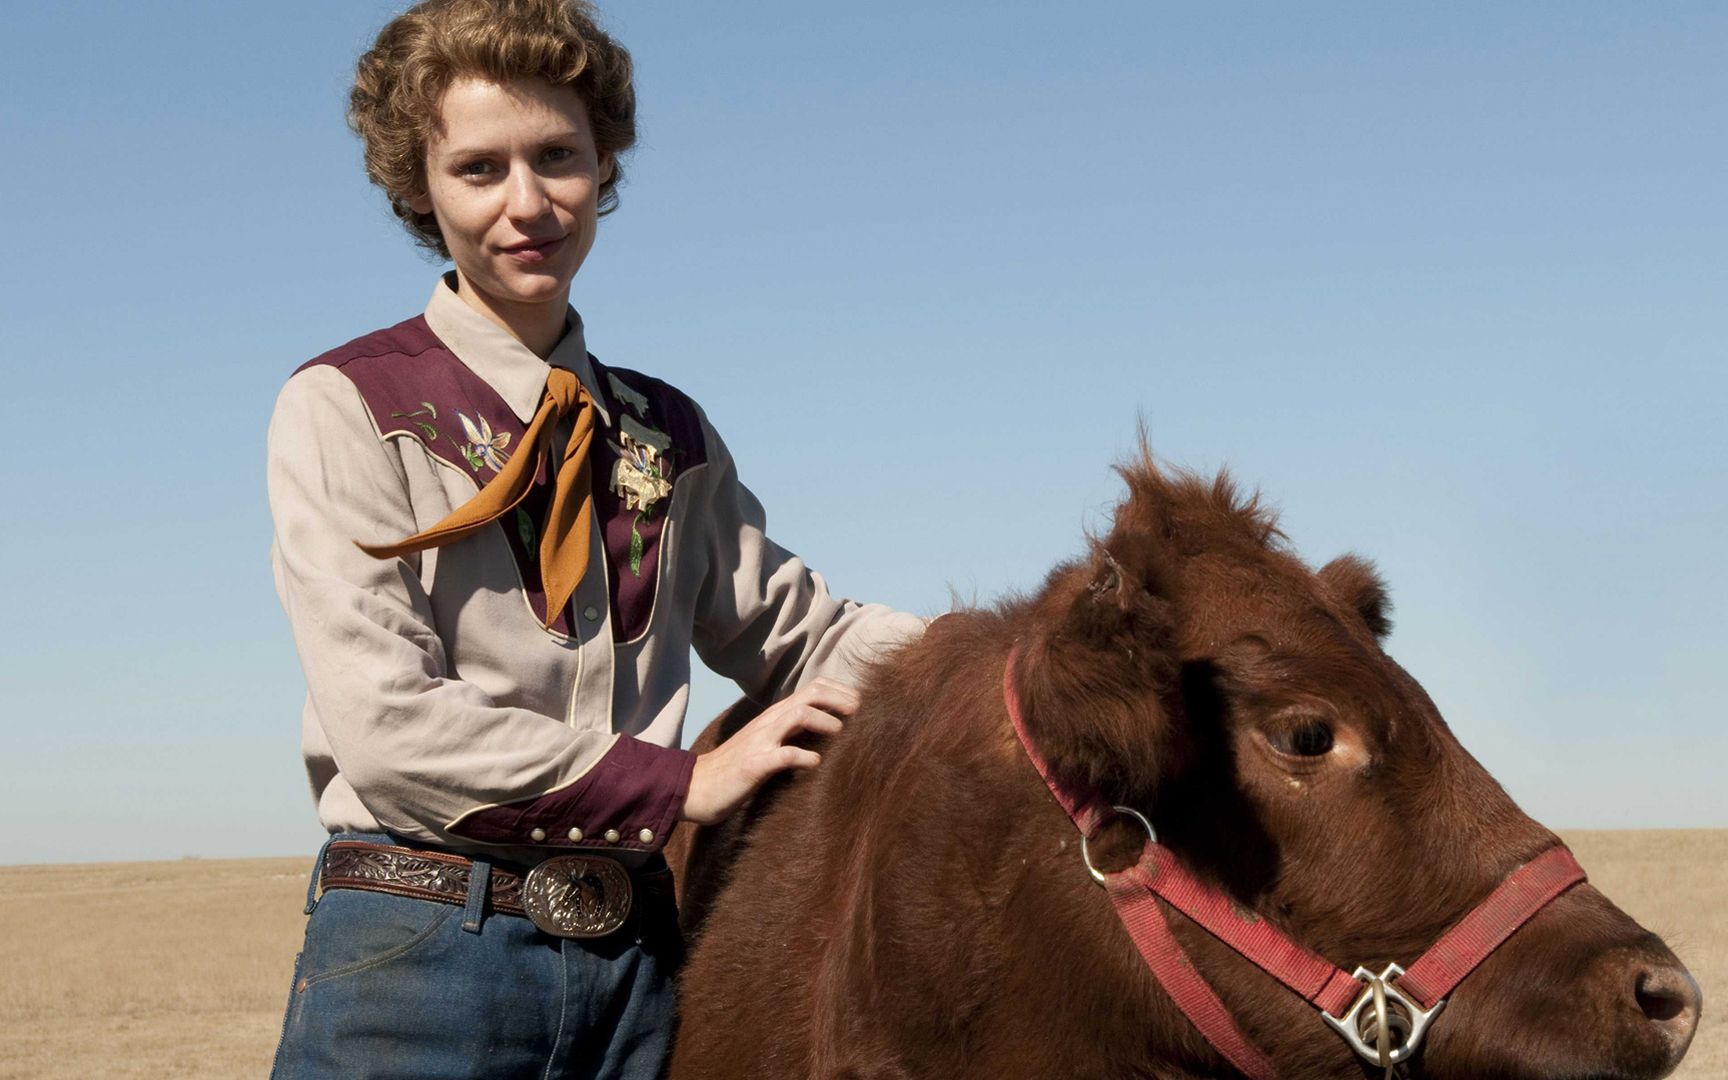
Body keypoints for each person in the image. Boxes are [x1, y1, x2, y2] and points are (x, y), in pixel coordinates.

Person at [264, 1, 924, 1075]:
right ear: (419, 187)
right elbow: (388, 727)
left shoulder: (668, 435)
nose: (528, 203)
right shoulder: (347, 405)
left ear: (604, 162)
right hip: (419, 952)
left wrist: (1007, 661)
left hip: (642, 975)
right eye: (479, 169)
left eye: (558, 156)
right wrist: (678, 785)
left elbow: (803, 635)